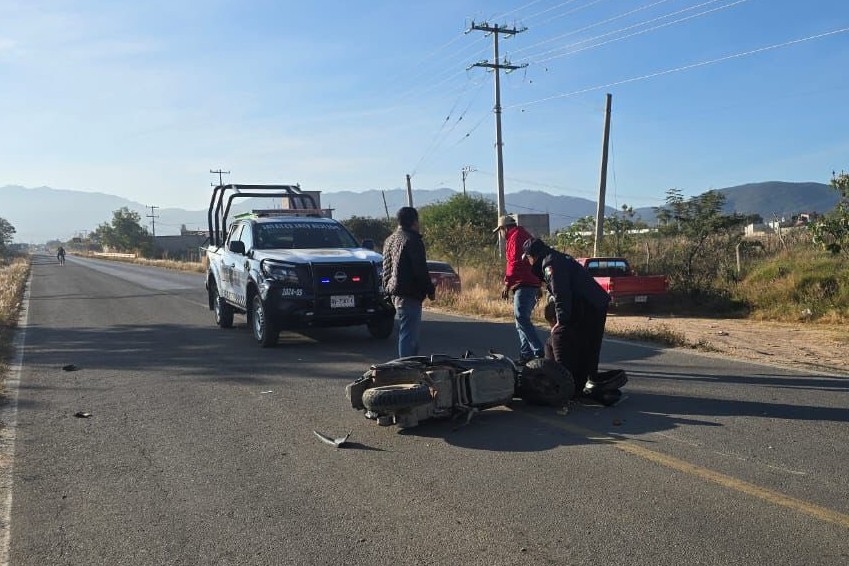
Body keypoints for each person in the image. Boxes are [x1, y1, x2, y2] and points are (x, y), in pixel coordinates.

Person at [522, 237, 611, 392]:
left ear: (533, 256)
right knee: (585, 345)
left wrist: (561, 321)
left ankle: (569, 386)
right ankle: (584, 382)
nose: (528, 262)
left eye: (528, 258)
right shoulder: (555, 258)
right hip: (590, 304)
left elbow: (561, 293)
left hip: (590, 306)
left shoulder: (550, 264)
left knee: (566, 339)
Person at [382, 207, 436, 357]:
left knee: (408, 334)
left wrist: (386, 290)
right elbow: (420, 269)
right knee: (409, 336)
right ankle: (406, 366)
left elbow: (386, 268)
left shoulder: (390, 240)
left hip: (395, 292)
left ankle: (409, 363)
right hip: (409, 293)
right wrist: (430, 290)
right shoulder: (412, 240)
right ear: (414, 221)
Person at [493, 214, 544, 363]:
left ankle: (537, 351)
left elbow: (514, 263)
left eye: (500, 231)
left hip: (524, 283)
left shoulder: (515, 238)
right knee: (520, 320)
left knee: (521, 317)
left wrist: (507, 284)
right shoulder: (524, 235)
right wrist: (539, 283)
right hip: (530, 282)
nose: (501, 235)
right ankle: (526, 353)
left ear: (504, 228)